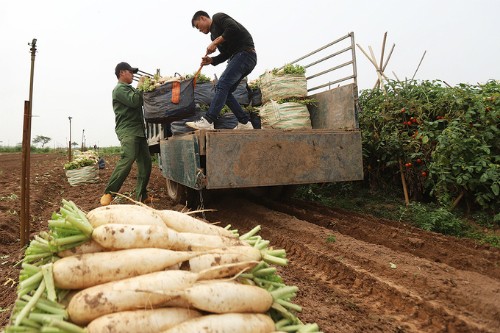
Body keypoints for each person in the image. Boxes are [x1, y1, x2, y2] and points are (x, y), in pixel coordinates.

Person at [186, 11, 257, 130]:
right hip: (239, 58)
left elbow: (233, 28)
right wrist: (211, 60)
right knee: (226, 92)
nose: (200, 30)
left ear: (203, 18)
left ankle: (208, 121)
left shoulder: (218, 18)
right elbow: (226, 54)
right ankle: (244, 123)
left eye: (198, 27)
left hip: (245, 54)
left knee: (222, 84)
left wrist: (215, 42)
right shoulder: (213, 36)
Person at [100, 62, 153, 206]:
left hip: (139, 130)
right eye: (131, 72)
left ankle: (142, 196)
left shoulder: (128, 88)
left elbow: (140, 100)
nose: (133, 75)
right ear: (122, 73)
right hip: (128, 130)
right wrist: (140, 86)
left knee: (146, 163)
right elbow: (135, 101)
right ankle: (109, 193)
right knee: (128, 158)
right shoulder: (119, 90)